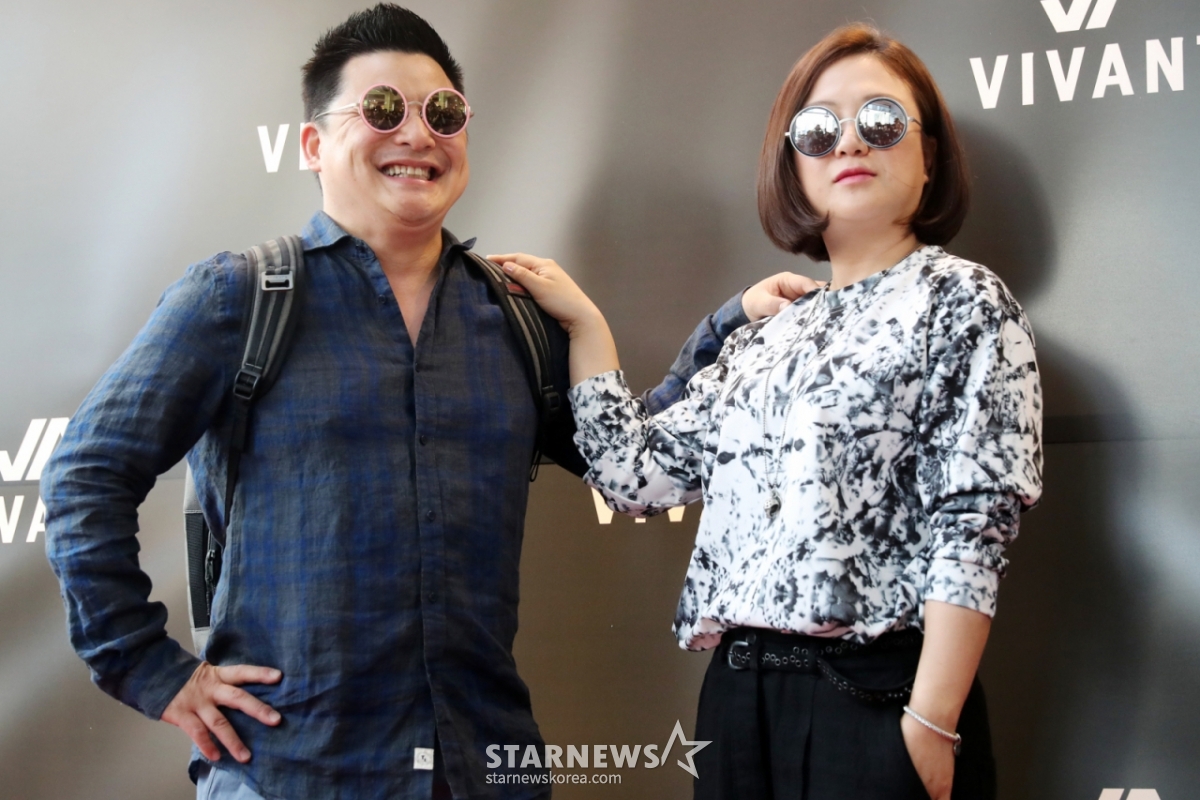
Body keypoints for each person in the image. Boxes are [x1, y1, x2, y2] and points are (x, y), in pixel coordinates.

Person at [40, 5, 819, 800]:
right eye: (382, 110)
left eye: (443, 113)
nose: (417, 133)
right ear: (312, 145)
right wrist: (153, 670)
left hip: (481, 768)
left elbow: (632, 457)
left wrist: (733, 325)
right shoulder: (237, 298)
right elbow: (83, 475)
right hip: (292, 771)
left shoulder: (513, 316)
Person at [494, 22, 1042, 800]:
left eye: (881, 119)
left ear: (929, 157)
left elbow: (973, 526)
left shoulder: (964, 301)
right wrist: (586, 326)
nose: (849, 141)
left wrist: (930, 720)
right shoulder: (766, 333)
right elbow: (631, 476)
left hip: (877, 696)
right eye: (817, 128)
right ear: (792, 163)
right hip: (737, 699)